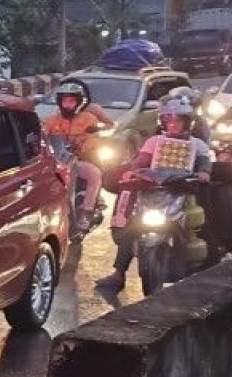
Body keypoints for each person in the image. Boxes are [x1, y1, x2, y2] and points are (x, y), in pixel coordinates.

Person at [96, 98, 212, 292]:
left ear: (188, 122)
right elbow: (141, 161)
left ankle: (201, 267)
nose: (173, 124)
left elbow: (204, 165)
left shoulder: (198, 145)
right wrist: (134, 170)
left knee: (200, 223)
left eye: (178, 120)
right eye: (169, 120)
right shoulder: (154, 142)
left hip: (181, 192)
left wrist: (204, 173)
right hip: (153, 191)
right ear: (163, 122)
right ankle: (118, 274)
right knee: (130, 230)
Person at [42, 82, 105, 231]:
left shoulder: (89, 119)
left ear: (79, 102)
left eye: (71, 101)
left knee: (94, 174)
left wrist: (81, 147)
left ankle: (86, 211)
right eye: (64, 101)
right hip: (57, 162)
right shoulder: (51, 120)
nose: (67, 105)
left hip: (79, 160)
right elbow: (43, 136)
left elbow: (94, 139)